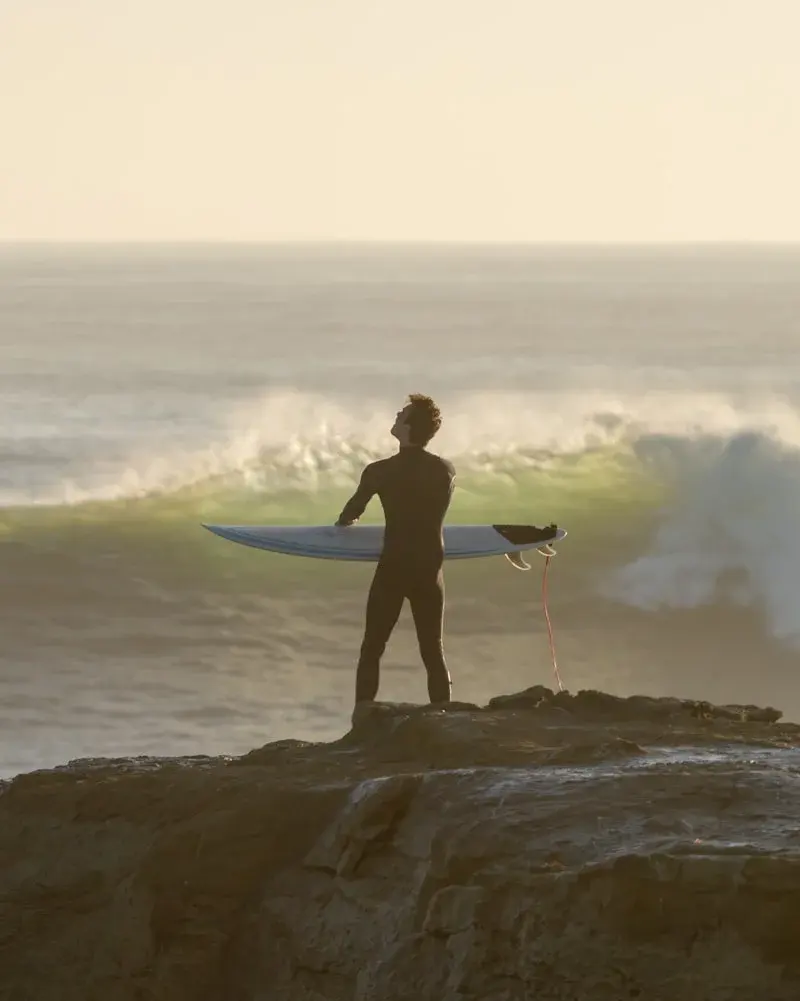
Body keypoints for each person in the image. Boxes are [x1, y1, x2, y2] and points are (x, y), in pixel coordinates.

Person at [336, 394, 455, 705]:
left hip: (395, 566)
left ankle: (362, 716)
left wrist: (345, 526)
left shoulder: (379, 471)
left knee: (373, 648)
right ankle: (445, 716)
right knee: (433, 649)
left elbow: (349, 514)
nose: (395, 415)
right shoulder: (446, 470)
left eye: (401, 414)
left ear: (406, 427)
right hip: (431, 567)